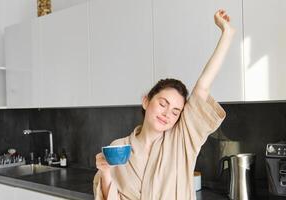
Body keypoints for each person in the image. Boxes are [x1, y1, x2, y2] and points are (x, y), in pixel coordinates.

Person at [93, 9, 235, 200]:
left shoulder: (182, 140)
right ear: (146, 101)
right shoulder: (119, 148)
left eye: (176, 111)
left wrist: (226, 34)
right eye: (163, 103)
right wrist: (105, 172)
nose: (168, 113)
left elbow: (202, 87)